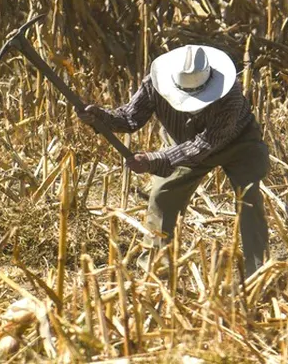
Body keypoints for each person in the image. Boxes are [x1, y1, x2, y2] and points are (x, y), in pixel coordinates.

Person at [77, 44, 270, 278]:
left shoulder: (230, 95)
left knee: (249, 200)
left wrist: (154, 160)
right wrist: (100, 118)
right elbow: (129, 118)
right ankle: (156, 272)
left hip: (237, 143)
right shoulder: (154, 84)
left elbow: (204, 144)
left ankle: (258, 272)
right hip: (181, 142)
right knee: (163, 197)